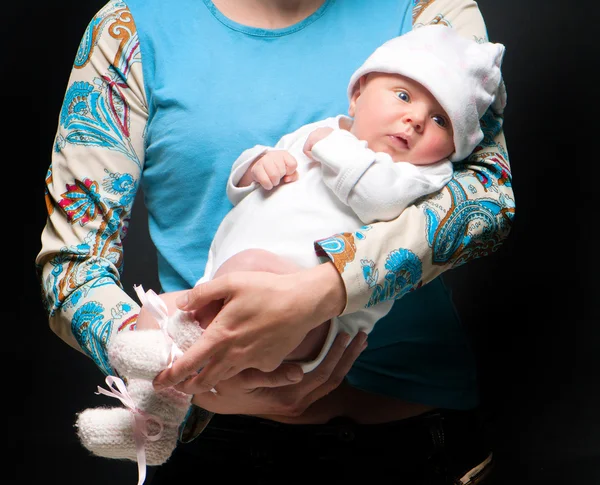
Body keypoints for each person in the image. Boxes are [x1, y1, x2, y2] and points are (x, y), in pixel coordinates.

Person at [36, 1, 514, 484]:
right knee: (168, 349)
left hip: (416, 440)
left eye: (436, 119)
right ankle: (152, 399)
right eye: (404, 98)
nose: (415, 120)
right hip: (218, 442)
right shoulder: (132, 27)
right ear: (358, 94)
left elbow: (488, 201)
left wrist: (320, 293)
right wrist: (195, 378)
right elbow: (72, 267)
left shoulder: (432, 13)